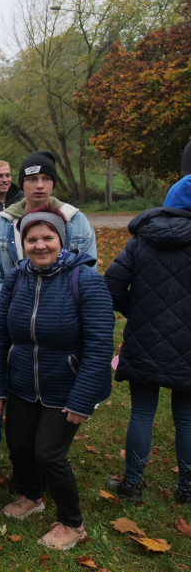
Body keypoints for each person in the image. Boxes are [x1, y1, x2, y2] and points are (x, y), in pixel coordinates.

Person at [0, 208, 113, 550]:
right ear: (22, 243)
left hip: (67, 386)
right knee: (19, 444)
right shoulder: (16, 279)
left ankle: (73, 521)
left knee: (48, 453)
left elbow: (100, 347)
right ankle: (31, 495)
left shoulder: (86, 280)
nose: (40, 246)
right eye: (32, 239)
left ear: (62, 240)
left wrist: (83, 398)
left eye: (47, 238)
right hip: (23, 382)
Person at [103, 176, 191, 504]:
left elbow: (112, 285)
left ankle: (133, 483)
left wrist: (136, 310)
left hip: (145, 337)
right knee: (186, 416)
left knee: (142, 412)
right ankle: (187, 487)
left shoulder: (142, 239)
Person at [0, 151, 97, 304]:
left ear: (54, 183)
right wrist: (12, 308)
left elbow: (90, 273)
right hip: (18, 316)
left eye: (46, 178)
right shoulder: (1, 225)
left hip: (66, 315)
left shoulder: (76, 221)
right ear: (22, 183)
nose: (40, 185)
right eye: (33, 179)